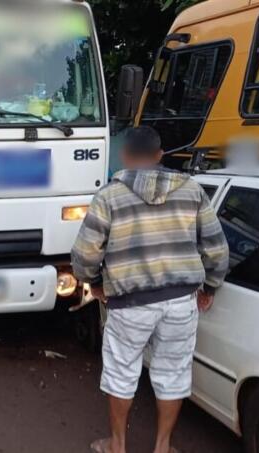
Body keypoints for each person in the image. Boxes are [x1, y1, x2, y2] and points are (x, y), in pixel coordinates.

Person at [71, 127, 229, 453]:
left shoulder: (108, 197)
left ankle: (117, 445)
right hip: (181, 301)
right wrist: (210, 287)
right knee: (173, 373)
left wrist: (96, 284)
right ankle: (163, 446)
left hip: (129, 303)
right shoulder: (193, 191)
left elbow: (86, 254)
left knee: (121, 371)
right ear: (159, 156)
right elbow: (216, 248)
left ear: (125, 156)